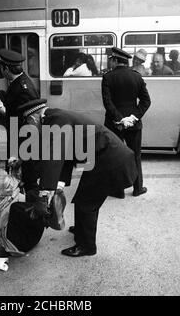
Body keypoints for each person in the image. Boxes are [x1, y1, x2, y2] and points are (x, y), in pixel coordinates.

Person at [15, 100, 138, 257]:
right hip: (103, 158)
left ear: (33, 119)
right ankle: (81, 230)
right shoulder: (56, 117)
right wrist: (57, 185)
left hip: (110, 161)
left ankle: (87, 246)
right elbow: (66, 155)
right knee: (82, 199)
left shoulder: (55, 122)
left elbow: (55, 156)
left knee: (87, 203)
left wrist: (46, 191)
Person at [0, 164, 66, 264]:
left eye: (11, 182)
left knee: (35, 195)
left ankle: (48, 211)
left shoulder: (12, 188)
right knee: (17, 208)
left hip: (32, 235)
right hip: (14, 243)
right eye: (8, 186)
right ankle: (47, 216)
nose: (12, 185)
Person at [102, 47, 151, 198]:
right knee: (135, 155)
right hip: (134, 125)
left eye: (111, 59)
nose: (110, 62)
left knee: (115, 156)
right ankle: (137, 188)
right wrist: (132, 118)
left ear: (116, 60)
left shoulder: (108, 77)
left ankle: (118, 191)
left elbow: (108, 103)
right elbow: (146, 101)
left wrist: (119, 119)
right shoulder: (137, 77)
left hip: (113, 124)